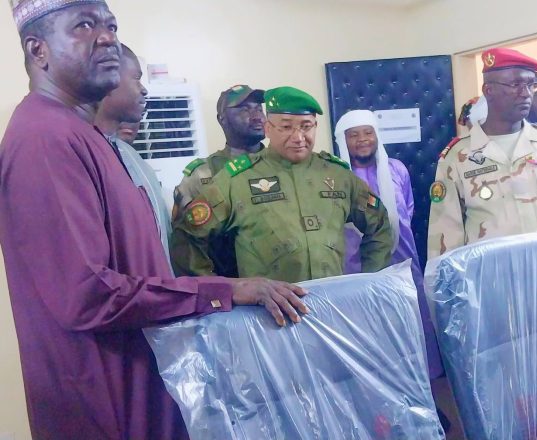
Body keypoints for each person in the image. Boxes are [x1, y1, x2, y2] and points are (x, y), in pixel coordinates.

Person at [0, 2, 308, 439]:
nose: (107, 37)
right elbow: (87, 296)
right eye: (84, 25)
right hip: (109, 405)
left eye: (110, 25)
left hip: (144, 388)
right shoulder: (45, 138)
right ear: (38, 50)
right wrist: (224, 290)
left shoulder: (86, 135)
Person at [174, 86, 394, 283]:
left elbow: (379, 223)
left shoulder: (338, 175)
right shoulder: (237, 179)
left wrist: (368, 283)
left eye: (306, 126)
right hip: (269, 310)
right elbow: (188, 236)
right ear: (268, 128)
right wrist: (224, 291)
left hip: (331, 305)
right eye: (286, 127)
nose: (298, 137)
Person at [427, 48, 537, 259]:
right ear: (488, 90)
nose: (526, 93)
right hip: (490, 276)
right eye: (515, 85)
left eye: (531, 84)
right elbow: (445, 236)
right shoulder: (458, 157)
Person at [334, 110, 443, 380]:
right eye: (353, 135)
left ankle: (423, 378)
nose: (362, 139)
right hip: (357, 264)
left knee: (411, 317)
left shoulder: (396, 169)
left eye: (368, 132)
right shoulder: (335, 175)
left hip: (402, 257)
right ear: (342, 141)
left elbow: (408, 208)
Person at [171, 84, 266, 277]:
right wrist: (217, 287)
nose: (257, 116)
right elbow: (186, 246)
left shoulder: (282, 166)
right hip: (234, 285)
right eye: (244, 109)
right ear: (222, 119)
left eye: (258, 108)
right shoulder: (201, 175)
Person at [94, 44, 173, 267]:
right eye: (136, 78)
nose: (144, 90)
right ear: (108, 81)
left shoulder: (130, 156)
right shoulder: (87, 153)